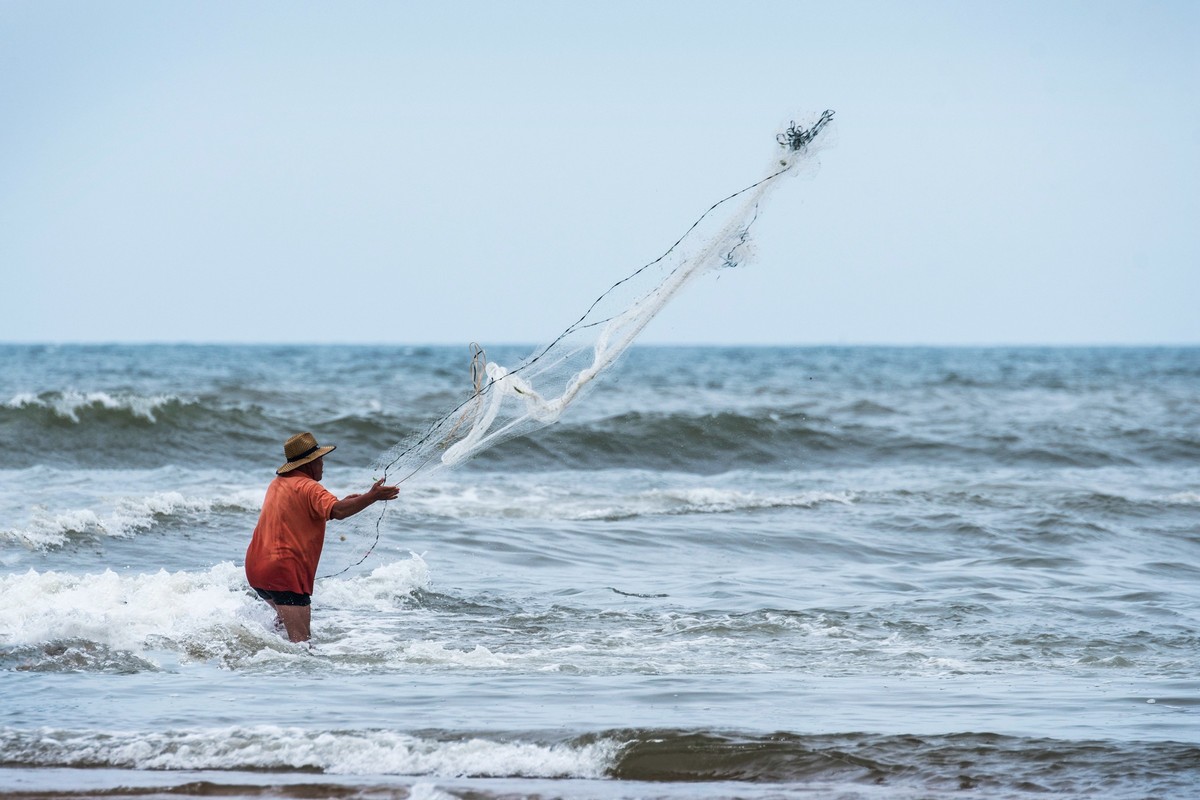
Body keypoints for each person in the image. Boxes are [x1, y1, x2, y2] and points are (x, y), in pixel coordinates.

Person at [245, 431, 399, 643]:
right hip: (285, 571)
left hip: (257, 570)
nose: (323, 464)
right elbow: (339, 511)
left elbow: (305, 514)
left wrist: (352, 501)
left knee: (280, 631)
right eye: (320, 459)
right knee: (301, 646)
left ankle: (264, 667)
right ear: (310, 463)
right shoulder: (310, 487)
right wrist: (372, 497)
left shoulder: (278, 483)